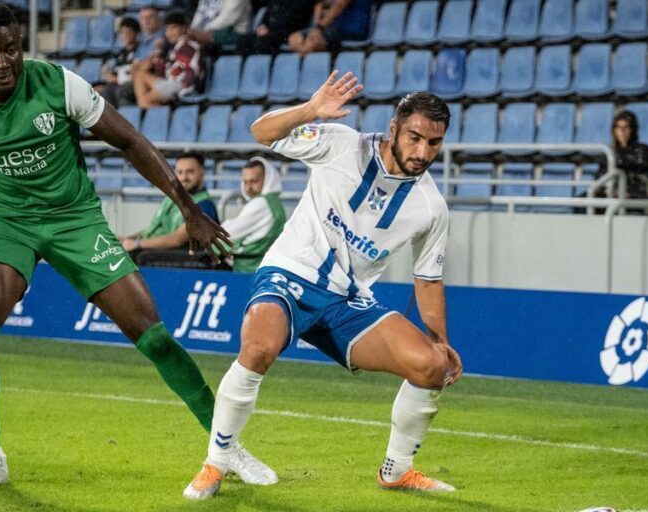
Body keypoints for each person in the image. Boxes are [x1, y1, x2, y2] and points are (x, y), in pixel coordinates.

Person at [0, 2, 271, 491]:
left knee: (154, 337)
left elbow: (131, 141)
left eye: (11, 49)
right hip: (11, 222)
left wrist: (187, 207)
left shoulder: (59, 84)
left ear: (21, 45)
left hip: (77, 220)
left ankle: (227, 448)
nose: (3, 62)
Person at [183, 73, 463, 499]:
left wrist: (440, 340)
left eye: (434, 143)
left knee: (430, 367)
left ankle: (397, 470)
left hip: (348, 301)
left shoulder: (430, 207)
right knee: (257, 349)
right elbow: (262, 132)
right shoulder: (341, 144)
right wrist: (311, 110)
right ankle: (216, 463)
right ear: (394, 128)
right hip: (291, 272)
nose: (423, 152)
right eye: (415, 137)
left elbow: (427, 278)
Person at [119, 152, 219, 254]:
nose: (184, 177)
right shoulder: (171, 199)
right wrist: (127, 239)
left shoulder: (204, 205)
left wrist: (137, 244)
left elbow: (177, 240)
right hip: (153, 250)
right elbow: (153, 229)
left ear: (202, 173)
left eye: (190, 172)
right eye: (180, 172)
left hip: (176, 256)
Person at [220, 157, 286, 273]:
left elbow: (228, 233)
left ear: (267, 179)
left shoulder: (261, 203)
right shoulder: (274, 202)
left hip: (248, 270)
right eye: (245, 182)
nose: (248, 188)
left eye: (254, 181)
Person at [132, 10, 202, 108]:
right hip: (170, 82)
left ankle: (166, 114)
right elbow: (169, 69)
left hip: (181, 85)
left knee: (145, 100)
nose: (169, 32)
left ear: (185, 28)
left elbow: (186, 73)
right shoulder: (175, 48)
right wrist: (157, 61)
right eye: (167, 29)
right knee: (139, 75)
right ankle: (159, 110)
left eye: (174, 28)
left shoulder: (188, 46)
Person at [287, 0, 372, 56]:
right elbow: (320, 4)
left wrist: (319, 28)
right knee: (293, 38)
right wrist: (315, 28)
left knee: (312, 43)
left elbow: (340, 5)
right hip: (330, 29)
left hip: (352, 28)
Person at [237, 0, 315, 55]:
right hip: (272, 30)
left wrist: (270, 29)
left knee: (264, 41)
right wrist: (262, 25)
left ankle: (270, 68)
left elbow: (293, 17)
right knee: (243, 40)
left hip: (291, 30)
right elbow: (268, 12)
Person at [100, 16, 140, 109]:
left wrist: (115, 79)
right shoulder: (121, 53)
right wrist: (108, 74)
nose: (125, 35)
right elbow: (113, 72)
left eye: (128, 32)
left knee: (116, 90)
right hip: (117, 83)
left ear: (136, 33)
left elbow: (133, 73)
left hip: (131, 84)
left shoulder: (140, 51)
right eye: (123, 32)